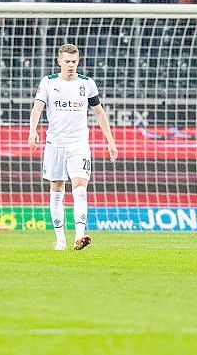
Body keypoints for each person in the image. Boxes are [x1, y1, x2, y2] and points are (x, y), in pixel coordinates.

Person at [28, 43, 118, 251]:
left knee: (80, 188)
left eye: (74, 61)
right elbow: (37, 108)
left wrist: (110, 140)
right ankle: (60, 238)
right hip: (55, 144)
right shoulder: (48, 82)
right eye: (67, 61)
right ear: (59, 61)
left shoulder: (87, 83)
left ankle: (79, 235)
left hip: (79, 143)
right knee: (57, 190)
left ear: (78, 61)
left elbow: (99, 112)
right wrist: (33, 130)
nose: (70, 65)